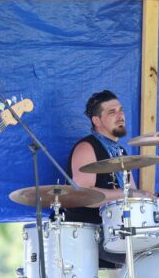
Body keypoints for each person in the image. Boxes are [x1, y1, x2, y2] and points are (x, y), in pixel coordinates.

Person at [65, 90, 153, 266]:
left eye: (121, 110)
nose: (120, 116)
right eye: (112, 112)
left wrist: (153, 200)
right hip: (92, 235)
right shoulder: (86, 148)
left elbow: (133, 194)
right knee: (148, 256)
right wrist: (127, 194)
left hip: (117, 231)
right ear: (96, 120)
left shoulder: (121, 152)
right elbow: (84, 196)